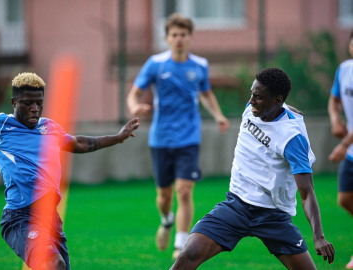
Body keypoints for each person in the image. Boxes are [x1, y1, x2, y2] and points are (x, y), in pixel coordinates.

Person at [0, 72, 140, 270]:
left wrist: (117, 138)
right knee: (53, 264)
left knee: (59, 266)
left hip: (50, 218)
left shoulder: (49, 127)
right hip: (21, 216)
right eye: (28, 103)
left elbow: (79, 144)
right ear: (14, 102)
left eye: (39, 103)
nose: (35, 109)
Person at [170, 67, 335, 270]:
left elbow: (307, 193)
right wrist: (287, 108)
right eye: (252, 93)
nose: (251, 101)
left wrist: (319, 237)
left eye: (258, 97)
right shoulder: (253, 108)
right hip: (236, 205)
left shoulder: (292, 139)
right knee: (188, 255)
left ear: (277, 100)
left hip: (272, 214)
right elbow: (285, 108)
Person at [126, 13, 230, 259]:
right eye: (174, 35)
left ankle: (180, 245)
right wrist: (134, 107)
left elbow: (205, 93)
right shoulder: (156, 64)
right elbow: (134, 93)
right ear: (167, 38)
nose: (179, 39)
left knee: (184, 191)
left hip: (189, 138)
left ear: (190, 37)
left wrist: (218, 115)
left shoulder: (200, 65)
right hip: (161, 139)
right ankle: (166, 220)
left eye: (183, 34)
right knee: (164, 196)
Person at [328, 30, 353, 269]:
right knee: (344, 199)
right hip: (352, 150)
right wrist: (335, 119)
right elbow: (334, 99)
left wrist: (344, 144)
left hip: (349, 146)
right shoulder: (344, 69)